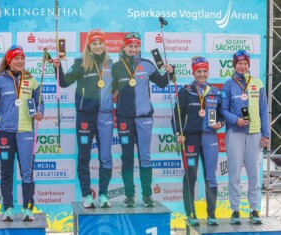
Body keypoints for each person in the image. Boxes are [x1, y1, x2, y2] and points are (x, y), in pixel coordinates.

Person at [53, 29, 114, 208]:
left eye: (100, 43)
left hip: (105, 116)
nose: (97, 46)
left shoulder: (111, 64)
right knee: (84, 157)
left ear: (104, 44)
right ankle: (87, 195)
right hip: (85, 116)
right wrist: (56, 68)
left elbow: (119, 86)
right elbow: (64, 82)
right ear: (89, 45)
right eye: (94, 43)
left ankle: (103, 195)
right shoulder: (81, 63)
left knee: (105, 157)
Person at [112, 32, 173, 208]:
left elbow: (162, 83)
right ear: (124, 47)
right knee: (127, 157)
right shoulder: (116, 67)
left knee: (145, 156)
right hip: (124, 119)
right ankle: (130, 196)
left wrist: (170, 72)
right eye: (130, 46)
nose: (133, 49)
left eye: (136, 46)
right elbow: (110, 91)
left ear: (139, 48)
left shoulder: (147, 64)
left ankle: (147, 195)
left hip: (144, 118)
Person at [0, 45, 44, 222]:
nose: (20, 61)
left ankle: (28, 208)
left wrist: (39, 112)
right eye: (16, 58)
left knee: (27, 172)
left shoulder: (31, 79)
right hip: (5, 132)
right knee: (6, 172)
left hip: (26, 132)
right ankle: (8, 209)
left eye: (22, 58)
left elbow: (39, 101)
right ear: (9, 60)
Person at [173, 57, 223, 226]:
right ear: (193, 72)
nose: (202, 74)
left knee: (211, 176)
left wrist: (220, 123)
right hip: (191, 138)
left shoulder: (215, 91)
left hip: (209, 137)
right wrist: (178, 133)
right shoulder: (186, 90)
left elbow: (221, 114)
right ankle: (191, 213)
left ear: (208, 72)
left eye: (204, 71)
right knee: (191, 176)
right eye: (198, 71)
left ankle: (211, 214)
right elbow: (177, 115)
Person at [221, 50, 269, 225]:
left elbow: (264, 109)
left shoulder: (257, 83)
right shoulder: (228, 84)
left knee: (254, 174)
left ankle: (254, 209)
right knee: (234, 173)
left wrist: (266, 134)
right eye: (239, 63)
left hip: (255, 133)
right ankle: (235, 210)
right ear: (235, 65)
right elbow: (223, 110)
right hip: (235, 133)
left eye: (245, 63)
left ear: (249, 65)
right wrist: (236, 120)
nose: (243, 66)